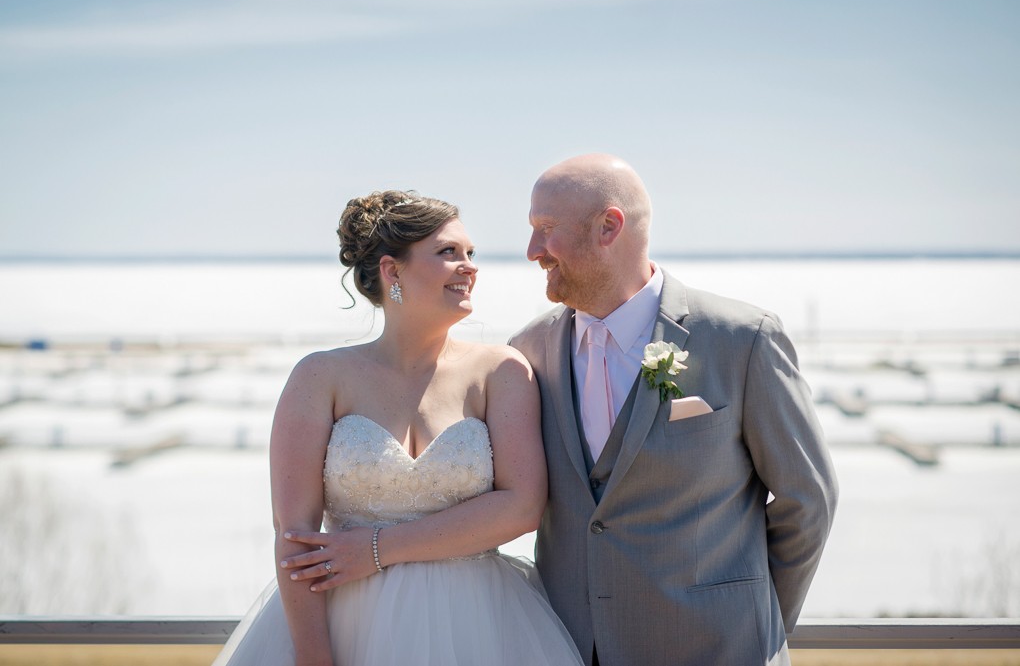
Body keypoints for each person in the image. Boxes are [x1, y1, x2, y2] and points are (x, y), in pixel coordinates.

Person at [214, 191, 583, 666]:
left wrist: (375, 549)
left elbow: (521, 507)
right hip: (346, 625)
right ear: (393, 271)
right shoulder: (320, 377)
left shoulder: (502, 372)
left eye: (471, 253)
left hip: (480, 626)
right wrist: (314, 656)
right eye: (448, 252)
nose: (469, 266)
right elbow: (294, 535)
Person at [508, 153, 839, 666]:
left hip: (721, 651)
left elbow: (808, 500)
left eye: (546, 229)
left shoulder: (742, 339)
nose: (533, 250)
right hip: (568, 650)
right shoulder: (527, 351)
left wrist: (755, 622)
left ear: (608, 227)